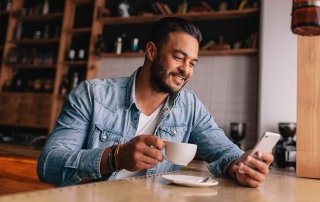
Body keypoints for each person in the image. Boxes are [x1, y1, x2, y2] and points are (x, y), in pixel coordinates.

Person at [37, 17, 273, 188]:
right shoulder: (91, 95)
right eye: (179, 57)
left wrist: (242, 166)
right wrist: (115, 157)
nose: (185, 70)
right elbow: (49, 164)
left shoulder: (189, 106)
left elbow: (224, 150)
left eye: (192, 63)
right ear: (151, 51)